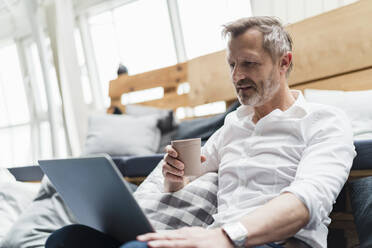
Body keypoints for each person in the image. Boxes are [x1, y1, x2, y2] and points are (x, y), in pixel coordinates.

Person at [46, 16, 355, 248]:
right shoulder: (233, 125)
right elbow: (187, 177)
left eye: (249, 64)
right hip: (217, 240)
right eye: (232, 64)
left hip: (273, 242)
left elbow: (304, 203)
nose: (237, 76)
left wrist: (223, 236)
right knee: (66, 238)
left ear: (283, 63)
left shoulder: (325, 122)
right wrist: (175, 176)